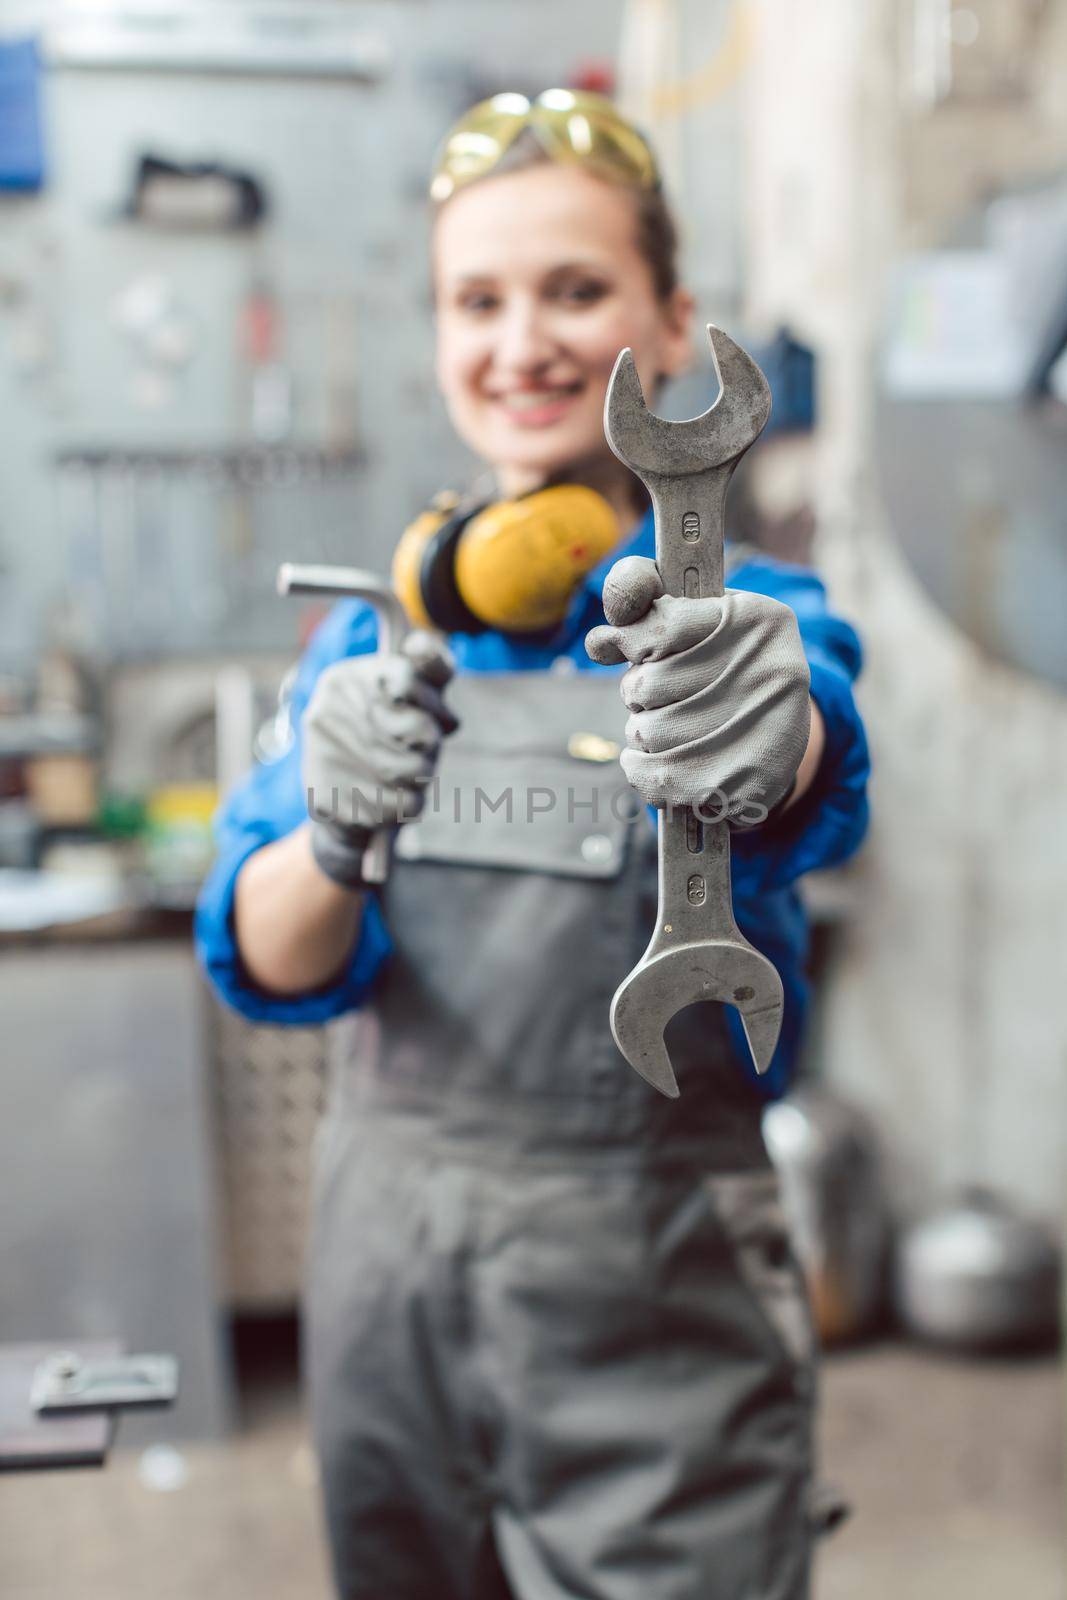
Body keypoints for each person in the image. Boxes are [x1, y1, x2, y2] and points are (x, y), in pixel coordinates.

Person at [196, 90, 869, 1600]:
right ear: (436, 334)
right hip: (388, 1289)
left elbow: (811, 750)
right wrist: (330, 825)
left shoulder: (747, 612)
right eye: (477, 300)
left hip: (655, 1289)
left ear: (674, 321)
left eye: (577, 291)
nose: (525, 342)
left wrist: (774, 720)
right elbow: (264, 949)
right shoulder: (360, 643)